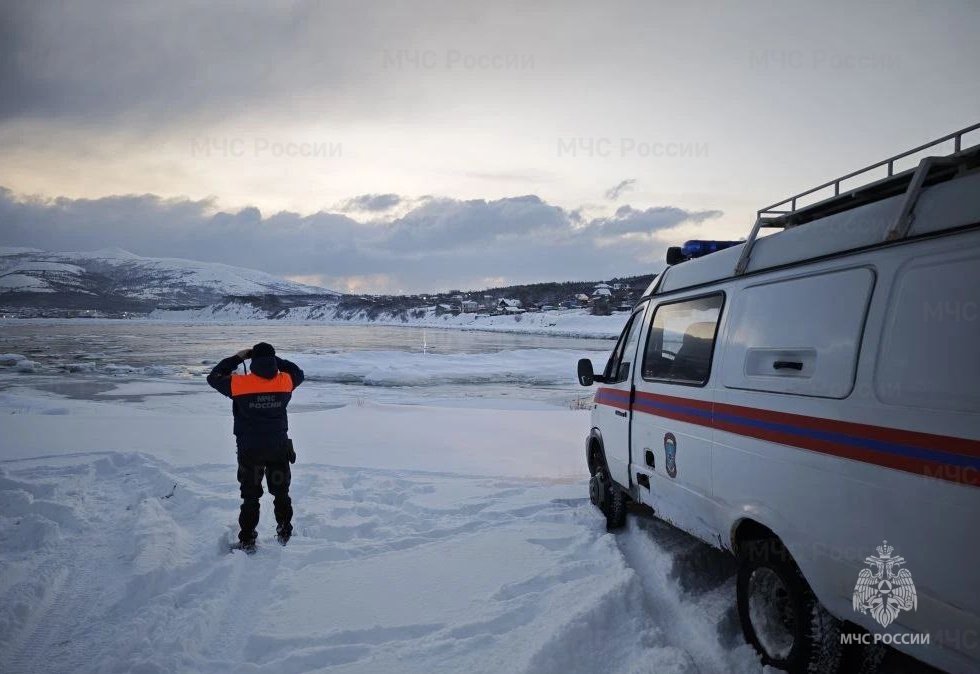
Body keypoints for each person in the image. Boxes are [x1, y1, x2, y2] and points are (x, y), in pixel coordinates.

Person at [206, 342, 304, 551]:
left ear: (253, 361)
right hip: (278, 448)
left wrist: (238, 358)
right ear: (273, 360)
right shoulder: (285, 381)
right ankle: (285, 531)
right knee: (281, 492)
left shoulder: (239, 383)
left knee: (250, 495)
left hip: (250, 450)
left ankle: (248, 538)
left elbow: (213, 377)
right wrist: (274, 360)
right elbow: (298, 372)